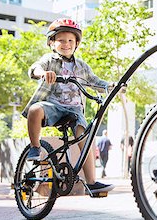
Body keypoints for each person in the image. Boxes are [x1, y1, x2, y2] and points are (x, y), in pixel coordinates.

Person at [22, 18, 115, 195]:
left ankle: (92, 183)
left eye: (71, 40)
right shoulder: (49, 60)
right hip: (53, 106)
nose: (66, 44)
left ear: (77, 44)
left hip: (74, 111)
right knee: (35, 110)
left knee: (85, 141)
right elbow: (35, 68)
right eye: (61, 40)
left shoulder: (82, 66)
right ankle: (35, 147)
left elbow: (95, 81)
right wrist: (43, 73)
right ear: (52, 43)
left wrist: (111, 86)